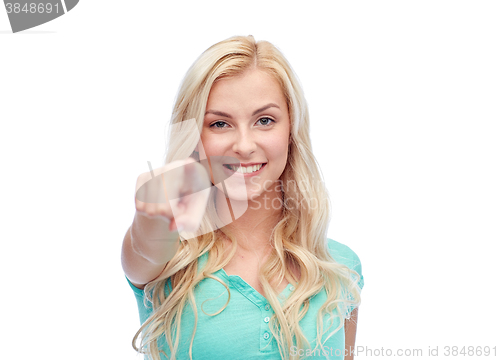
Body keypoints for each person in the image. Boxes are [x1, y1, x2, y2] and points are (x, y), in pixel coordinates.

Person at [121, 35, 364, 360]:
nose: (244, 145)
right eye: (220, 124)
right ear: (194, 136)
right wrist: (153, 211)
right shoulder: (171, 259)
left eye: (265, 120)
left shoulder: (340, 267)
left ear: (291, 130)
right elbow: (144, 245)